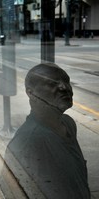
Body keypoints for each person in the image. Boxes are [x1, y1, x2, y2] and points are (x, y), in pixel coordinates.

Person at [6, 63, 90, 199]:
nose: (64, 87)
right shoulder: (28, 141)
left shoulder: (68, 124)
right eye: (52, 84)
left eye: (66, 81)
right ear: (30, 93)